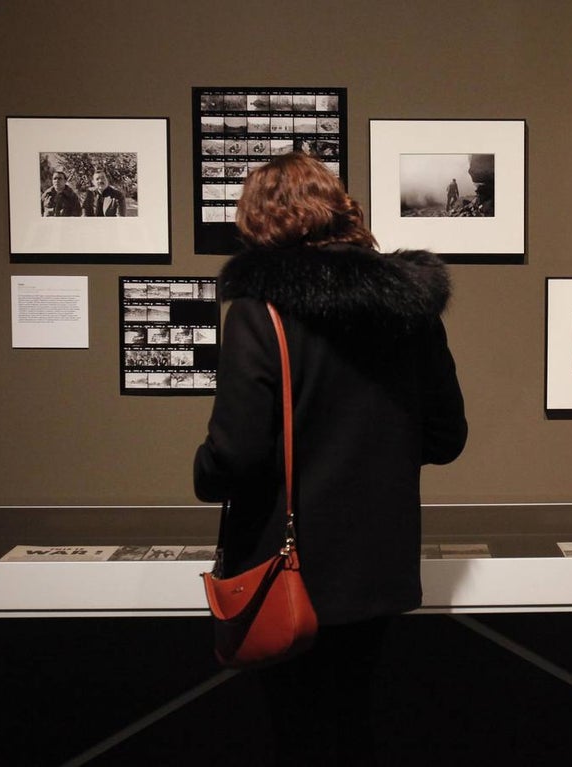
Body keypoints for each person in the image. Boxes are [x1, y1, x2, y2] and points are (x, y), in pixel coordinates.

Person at [194, 152, 467, 764]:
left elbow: (236, 452)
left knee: (297, 731)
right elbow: (447, 437)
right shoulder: (411, 309)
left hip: (286, 564)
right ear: (341, 211)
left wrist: (202, 473)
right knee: (354, 722)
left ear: (260, 223)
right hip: (379, 567)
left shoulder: (261, 312)